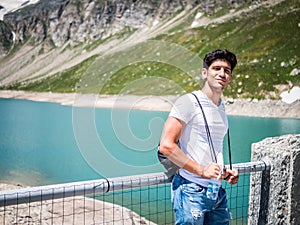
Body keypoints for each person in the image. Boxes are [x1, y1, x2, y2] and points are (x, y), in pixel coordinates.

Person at [159, 49, 239, 224]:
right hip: (191, 188)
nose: (222, 74)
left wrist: (224, 171)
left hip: (216, 190)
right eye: (216, 68)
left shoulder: (221, 107)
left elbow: (210, 147)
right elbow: (166, 145)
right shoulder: (188, 102)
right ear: (205, 73)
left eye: (227, 70)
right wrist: (201, 170)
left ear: (230, 78)